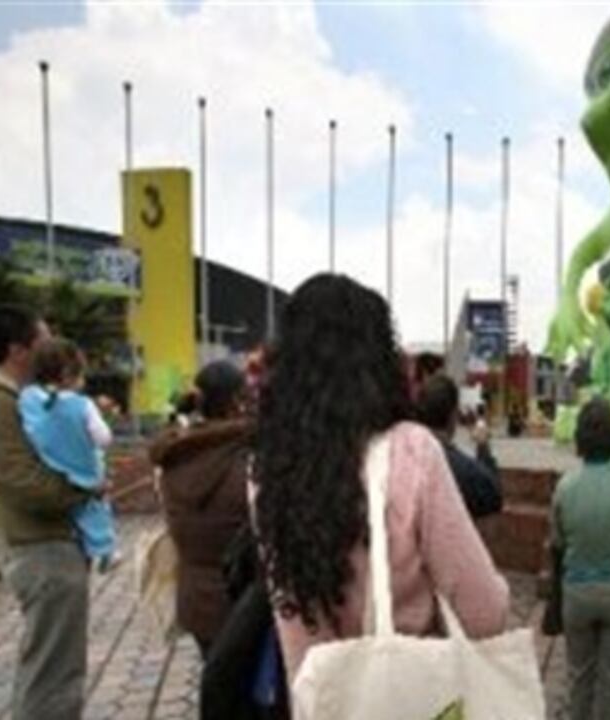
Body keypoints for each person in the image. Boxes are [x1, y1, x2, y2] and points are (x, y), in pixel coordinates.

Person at [251, 273, 510, 679]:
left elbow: (296, 637)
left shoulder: (267, 471)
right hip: (415, 691)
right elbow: (485, 615)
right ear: (378, 362)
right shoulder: (412, 451)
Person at [0, 305, 89, 720]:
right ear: (18, 350)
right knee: (52, 675)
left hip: (49, 545)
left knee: (54, 666)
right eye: (44, 342)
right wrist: (83, 489)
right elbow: (23, 481)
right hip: (42, 550)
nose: (52, 352)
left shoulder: (17, 400)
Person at [150, 360, 252, 658]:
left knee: (217, 683)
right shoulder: (247, 456)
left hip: (195, 599)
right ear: (237, 401)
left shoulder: (174, 455)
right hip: (244, 604)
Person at [550, 397, 610, 720]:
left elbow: (558, 540)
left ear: (579, 439)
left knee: (578, 676)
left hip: (576, 594)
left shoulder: (565, 487)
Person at [18, 338, 119, 571]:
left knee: (73, 513)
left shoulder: (28, 398)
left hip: (49, 470)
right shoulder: (82, 404)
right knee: (95, 508)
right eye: (81, 375)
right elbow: (104, 439)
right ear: (67, 375)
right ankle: (104, 550)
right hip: (83, 472)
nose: (83, 382)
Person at [414, 373, 503, 519]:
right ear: (453, 416)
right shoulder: (462, 470)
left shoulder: (401, 460)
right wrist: (483, 447)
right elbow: (493, 496)